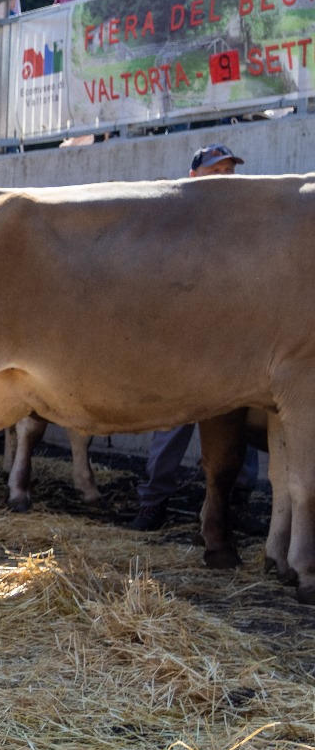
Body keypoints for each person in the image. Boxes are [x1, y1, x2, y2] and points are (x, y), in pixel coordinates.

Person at [129, 145, 260, 531]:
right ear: (194, 177)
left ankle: (235, 504)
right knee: (172, 422)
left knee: (237, 425)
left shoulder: (249, 226)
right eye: (214, 169)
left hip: (233, 347)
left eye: (228, 170)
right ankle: (153, 504)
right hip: (185, 346)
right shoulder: (173, 222)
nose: (224, 176)